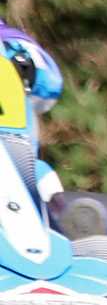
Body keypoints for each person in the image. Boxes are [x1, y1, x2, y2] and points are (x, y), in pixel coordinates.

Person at [0, 19, 65, 205]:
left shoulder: (9, 40)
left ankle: (60, 212)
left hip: (15, 155)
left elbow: (50, 85)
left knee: (40, 177)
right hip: (17, 155)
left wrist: (26, 66)